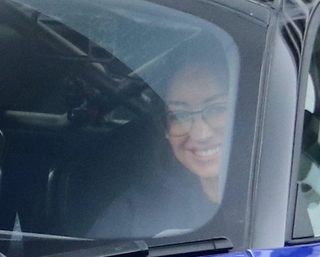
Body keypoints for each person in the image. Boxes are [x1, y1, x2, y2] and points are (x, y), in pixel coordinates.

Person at [92, 53, 232, 238]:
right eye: (180, 115)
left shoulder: (280, 207)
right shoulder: (137, 212)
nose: (199, 133)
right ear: (166, 130)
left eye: (216, 109)